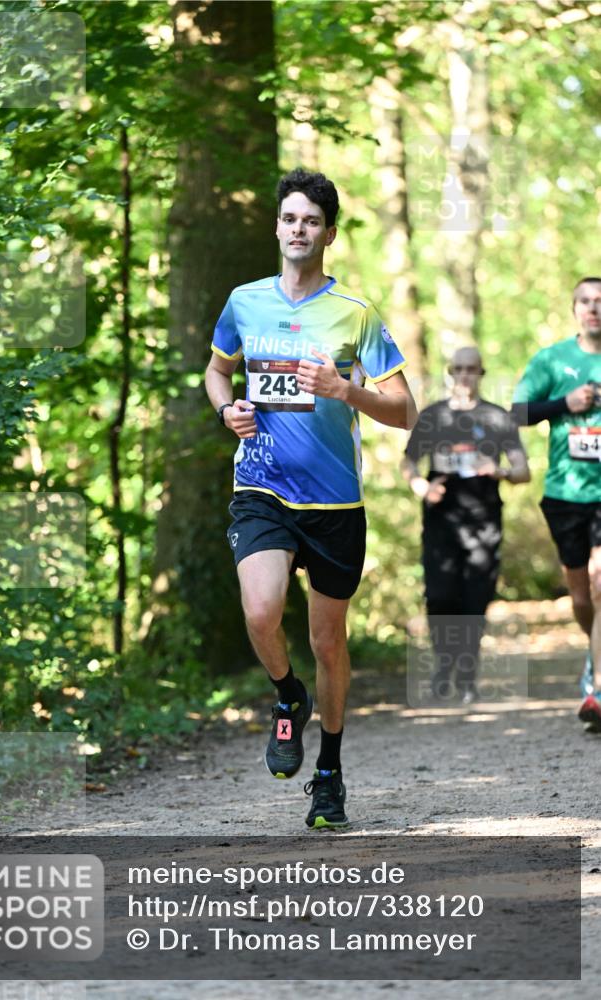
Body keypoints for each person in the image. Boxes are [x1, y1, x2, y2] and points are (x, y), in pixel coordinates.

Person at [205, 167, 416, 828]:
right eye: (289, 218)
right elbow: (216, 372)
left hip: (333, 501)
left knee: (329, 641)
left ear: (327, 233)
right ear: (277, 226)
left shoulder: (355, 314)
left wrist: (344, 390)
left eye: (311, 221)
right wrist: (226, 412)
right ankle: (285, 694)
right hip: (262, 485)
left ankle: (329, 772)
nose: (298, 230)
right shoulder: (244, 302)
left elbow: (406, 411)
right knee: (261, 609)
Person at [402, 346, 530, 705]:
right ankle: (444, 667)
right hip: (442, 522)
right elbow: (409, 464)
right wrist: (422, 487)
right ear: (449, 372)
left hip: (484, 523)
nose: (464, 375)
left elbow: (524, 470)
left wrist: (501, 471)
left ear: (481, 373)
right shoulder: (432, 417)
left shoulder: (497, 418)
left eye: (471, 369)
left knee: (475, 601)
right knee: (441, 597)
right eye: (458, 368)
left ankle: (468, 676)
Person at [513, 277, 601, 732]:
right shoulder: (552, 359)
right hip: (566, 492)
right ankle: (594, 656)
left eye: (600, 302)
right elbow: (517, 412)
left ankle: (599, 687)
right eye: (586, 302)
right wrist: (565, 403)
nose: (594, 309)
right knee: (582, 596)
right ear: (574, 310)